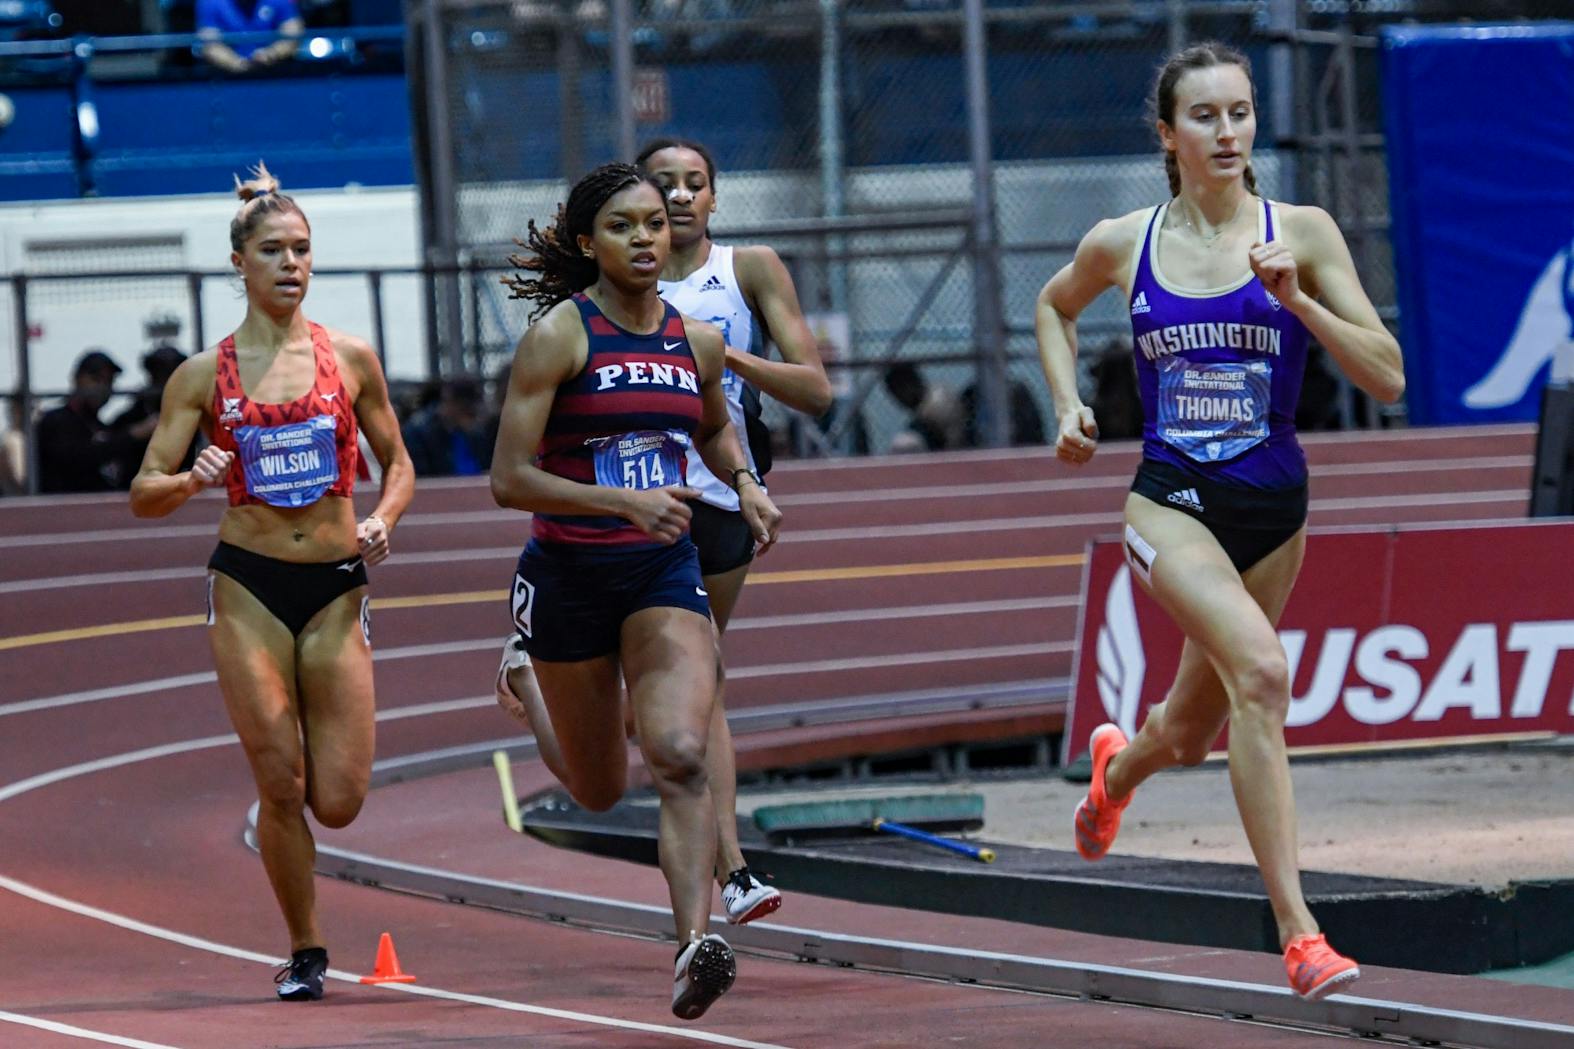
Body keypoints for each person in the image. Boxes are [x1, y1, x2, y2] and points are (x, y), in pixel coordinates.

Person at [1033, 42, 1404, 1002]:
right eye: (1206, 117)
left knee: (1192, 731)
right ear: (1168, 135)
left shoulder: (1304, 232)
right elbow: (1052, 305)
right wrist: (1068, 403)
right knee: (1263, 673)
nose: (1229, 132)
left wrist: (1301, 302)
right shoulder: (1126, 241)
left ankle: (1117, 772)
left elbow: (1389, 375)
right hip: (1171, 503)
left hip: (1275, 509)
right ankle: (1299, 932)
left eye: (1240, 113)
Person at [491, 162, 781, 1020]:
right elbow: (509, 479)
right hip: (570, 575)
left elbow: (718, 424)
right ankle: (526, 681)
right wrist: (622, 499)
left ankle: (695, 942)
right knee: (596, 788)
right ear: (589, 243)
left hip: (662, 569)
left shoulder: (696, 340)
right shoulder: (559, 337)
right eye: (624, 226)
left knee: (682, 753)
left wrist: (747, 481)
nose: (647, 238)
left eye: (655, 223)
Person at [129, 163, 414, 1002]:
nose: (292, 264)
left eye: (303, 249)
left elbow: (399, 465)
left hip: (335, 585)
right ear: (239, 263)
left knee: (341, 799)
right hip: (249, 585)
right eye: (274, 250)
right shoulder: (199, 375)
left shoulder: (351, 359)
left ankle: (307, 921)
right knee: (281, 782)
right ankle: (307, 946)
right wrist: (189, 479)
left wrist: (385, 519)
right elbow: (144, 490)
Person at [635, 134, 829, 922]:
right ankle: (731, 866)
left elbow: (815, 390)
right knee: (676, 685)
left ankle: (732, 869)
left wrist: (723, 360)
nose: (680, 197)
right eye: (663, 185)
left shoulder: (748, 270)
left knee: (699, 676)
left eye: (695, 184)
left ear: (715, 198)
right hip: (637, 502)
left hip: (722, 499)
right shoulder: (615, 277)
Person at [36, 349, 131, 492]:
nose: (102, 387)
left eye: (109, 381)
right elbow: (73, 460)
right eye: (96, 379)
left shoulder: (102, 426)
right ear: (76, 379)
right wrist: (131, 435)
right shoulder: (55, 421)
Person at [111, 344, 190, 487]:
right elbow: (111, 449)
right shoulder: (133, 416)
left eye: (174, 373)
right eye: (160, 373)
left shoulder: (195, 412)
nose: (167, 381)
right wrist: (135, 433)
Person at [399, 374, 492, 476]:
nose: (473, 419)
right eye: (468, 411)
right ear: (452, 403)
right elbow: (423, 478)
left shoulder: (474, 435)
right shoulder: (418, 435)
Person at [196, 0, 303, 75]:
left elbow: (293, 34)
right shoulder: (210, 2)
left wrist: (270, 54)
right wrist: (237, 63)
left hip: (277, 76)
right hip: (227, 81)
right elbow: (210, 45)